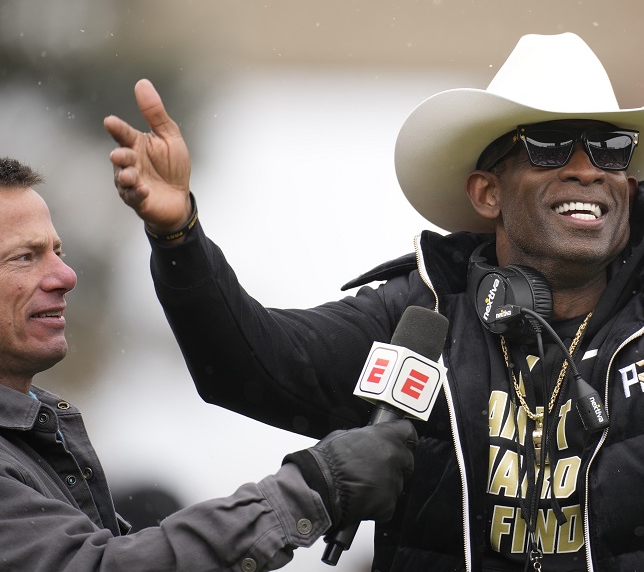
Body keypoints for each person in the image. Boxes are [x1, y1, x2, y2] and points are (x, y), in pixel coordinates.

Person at [103, 32, 644, 571]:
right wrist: (180, 240)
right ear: (487, 192)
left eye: (612, 147)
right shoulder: (417, 317)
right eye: (553, 145)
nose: (589, 166)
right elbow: (247, 367)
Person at [0, 157, 417, 571]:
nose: (66, 275)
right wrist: (312, 489)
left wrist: (177, 233)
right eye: (24, 257)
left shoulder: (38, 431)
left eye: (58, 251)